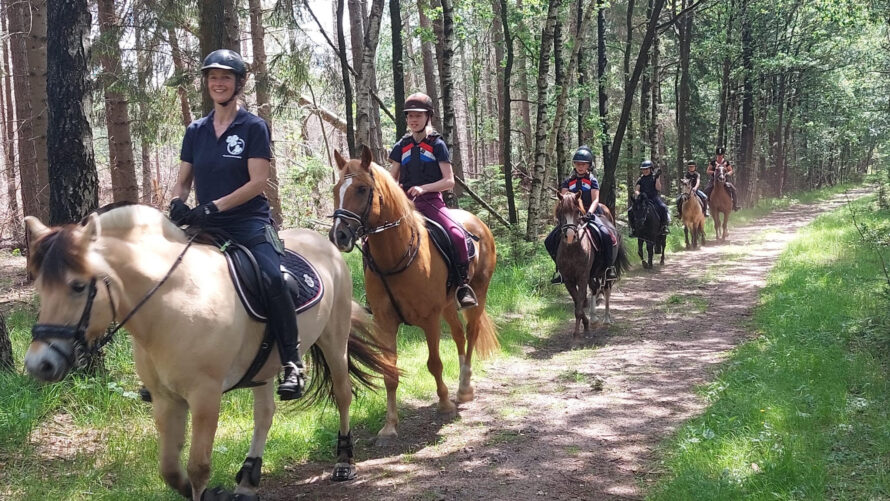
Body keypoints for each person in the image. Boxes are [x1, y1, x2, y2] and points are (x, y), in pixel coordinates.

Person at [168, 49, 305, 401]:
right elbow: (184, 180)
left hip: (247, 222)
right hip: (205, 223)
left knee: (274, 278)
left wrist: (212, 207)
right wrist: (178, 202)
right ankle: (169, 368)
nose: (218, 83)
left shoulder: (253, 127)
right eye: (213, 77)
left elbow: (257, 182)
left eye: (225, 77)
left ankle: (292, 363)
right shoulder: (195, 130)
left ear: (238, 83)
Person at [388, 92, 478, 310]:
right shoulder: (402, 145)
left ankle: (462, 286)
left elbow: (448, 181)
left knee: (456, 235)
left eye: (418, 115)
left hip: (430, 203)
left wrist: (423, 188)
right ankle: (378, 291)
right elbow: (392, 178)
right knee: (374, 239)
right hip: (406, 205)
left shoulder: (437, 144)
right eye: (409, 116)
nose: (413, 120)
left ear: (428, 116)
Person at [544, 145, 617, 285]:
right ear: (574, 165)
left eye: (583, 164)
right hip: (572, 217)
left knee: (606, 235)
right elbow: (563, 198)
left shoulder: (592, 180)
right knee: (549, 241)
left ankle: (609, 268)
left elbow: (596, 199)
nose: (580, 166)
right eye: (578, 164)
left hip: (590, 213)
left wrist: (589, 213)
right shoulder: (568, 181)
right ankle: (559, 270)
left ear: (589, 165)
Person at [629, 160, 670, 236]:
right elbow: (637, 190)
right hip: (643, 199)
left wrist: (657, 178)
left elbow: (658, 188)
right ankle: (633, 228)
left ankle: (664, 226)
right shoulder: (640, 179)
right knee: (630, 210)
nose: (645, 171)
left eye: (647, 169)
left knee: (663, 207)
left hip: (654, 198)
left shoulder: (654, 177)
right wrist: (640, 195)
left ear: (651, 169)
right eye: (643, 169)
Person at [704, 146, 740, 211]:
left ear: (723, 155)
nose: (720, 156)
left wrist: (727, 173)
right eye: (718, 155)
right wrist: (715, 172)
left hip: (724, 180)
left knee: (733, 189)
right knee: (706, 190)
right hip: (714, 180)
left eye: (721, 155)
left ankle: (735, 205)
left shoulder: (726, 162)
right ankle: (707, 206)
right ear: (716, 155)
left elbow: (731, 170)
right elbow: (708, 171)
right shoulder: (713, 162)